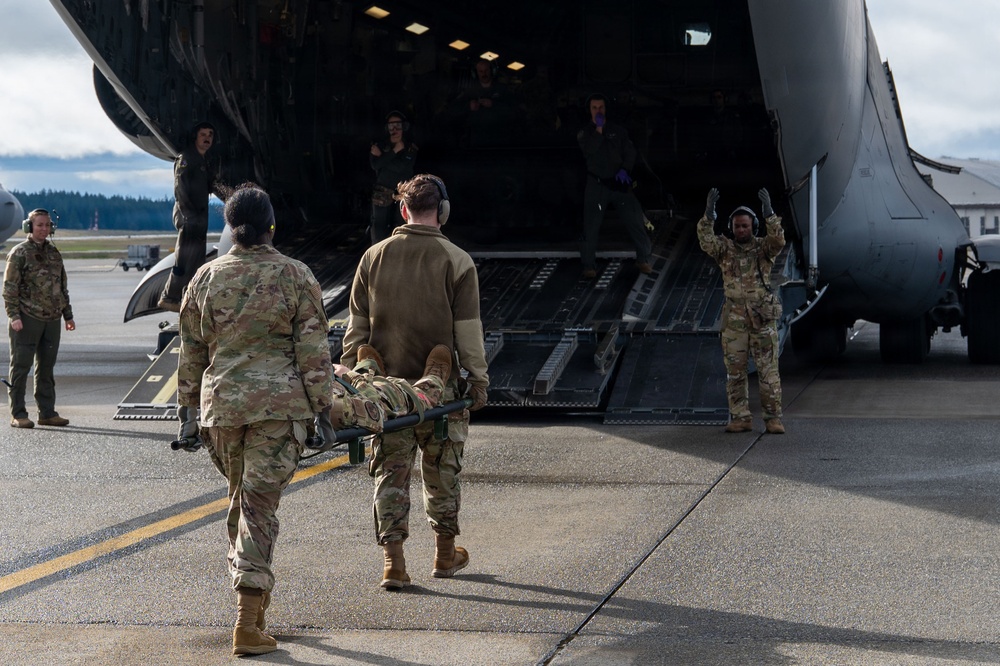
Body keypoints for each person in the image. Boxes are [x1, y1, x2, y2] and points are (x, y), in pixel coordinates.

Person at [176, 183, 333, 656]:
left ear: (229, 227)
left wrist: (186, 413)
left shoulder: (205, 277)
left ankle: (258, 611)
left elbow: (190, 351)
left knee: (242, 504)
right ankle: (246, 623)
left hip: (221, 409)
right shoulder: (296, 275)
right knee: (258, 510)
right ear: (271, 226)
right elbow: (313, 352)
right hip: (277, 410)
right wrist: (323, 409)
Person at [342, 173, 489, 591]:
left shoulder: (373, 257)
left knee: (391, 474)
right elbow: (468, 333)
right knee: (442, 471)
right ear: (442, 211)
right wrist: (478, 381)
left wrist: (356, 382)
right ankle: (444, 556)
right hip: (439, 395)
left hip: (386, 395)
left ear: (402, 210)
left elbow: (356, 335)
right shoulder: (457, 261)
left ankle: (394, 564)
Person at [698, 187, 785, 435]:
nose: (741, 230)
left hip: (762, 320)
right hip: (735, 322)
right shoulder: (725, 249)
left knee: (768, 372)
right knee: (735, 373)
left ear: (753, 226)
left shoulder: (764, 249)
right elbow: (706, 241)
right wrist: (708, 215)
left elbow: (778, 240)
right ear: (732, 228)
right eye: (737, 226)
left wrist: (769, 214)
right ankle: (740, 418)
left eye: (745, 226)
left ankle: (773, 419)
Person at [3, 209, 75, 428]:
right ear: (29, 227)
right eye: (40, 225)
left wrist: (68, 315)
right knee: (21, 367)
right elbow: (9, 288)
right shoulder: (19, 253)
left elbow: (62, 287)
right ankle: (18, 413)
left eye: (47, 225)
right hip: (27, 317)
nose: (44, 229)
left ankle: (47, 413)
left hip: (52, 319)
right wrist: (14, 316)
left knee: (46, 368)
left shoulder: (54, 253)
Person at [577, 93, 653, 279]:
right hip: (597, 184)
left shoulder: (618, 131)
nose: (598, 111)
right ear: (589, 110)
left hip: (619, 183)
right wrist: (599, 129)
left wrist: (625, 170)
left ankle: (643, 259)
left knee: (635, 220)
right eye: (594, 108)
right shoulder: (584, 133)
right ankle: (589, 265)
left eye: (601, 107)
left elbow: (630, 152)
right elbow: (589, 150)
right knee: (591, 226)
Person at [158, 121, 232, 312]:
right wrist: (188, 215)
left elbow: (214, 185)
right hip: (189, 217)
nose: (207, 138)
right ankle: (169, 297)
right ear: (195, 137)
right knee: (184, 260)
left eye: (210, 135)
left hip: (199, 218)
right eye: (203, 134)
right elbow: (180, 188)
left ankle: (189, 299)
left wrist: (233, 198)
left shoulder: (203, 161)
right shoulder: (186, 158)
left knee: (197, 261)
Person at [369, 111, 418, 245]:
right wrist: (394, 152)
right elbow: (375, 164)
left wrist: (383, 157)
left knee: (402, 224)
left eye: (398, 125)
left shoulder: (410, 147)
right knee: (379, 225)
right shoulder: (380, 145)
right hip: (382, 191)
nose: (394, 129)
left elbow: (401, 167)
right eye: (391, 126)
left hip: (403, 191)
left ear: (404, 127)